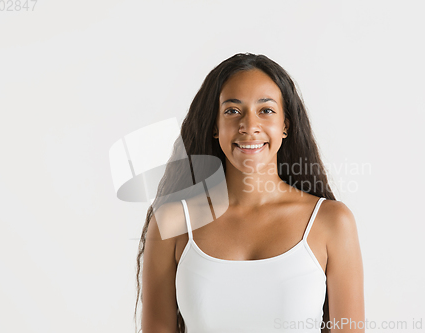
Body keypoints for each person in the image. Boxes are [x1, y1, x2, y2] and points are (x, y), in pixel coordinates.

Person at [134, 53, 364, 333]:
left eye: (265, 110)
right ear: (215, 127)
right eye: (232, 111)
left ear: (285, 125)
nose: (249, 126)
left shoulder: (332, 222)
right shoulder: (172, 223)